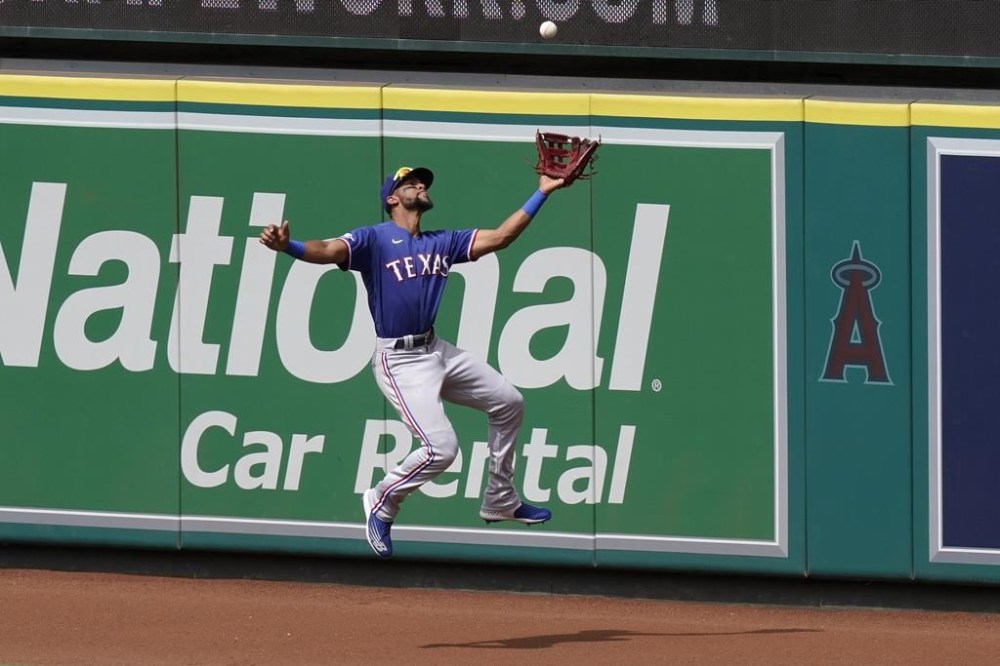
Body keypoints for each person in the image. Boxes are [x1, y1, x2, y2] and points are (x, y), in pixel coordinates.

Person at [259, 165, 565, 559]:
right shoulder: (375, 238)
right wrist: (290, 246)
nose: (420, 186)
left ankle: (500, 498)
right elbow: (329, 249)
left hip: (436, 349)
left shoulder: (443, 241)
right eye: (410, 183)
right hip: (399, 361)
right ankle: (382, 501)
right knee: (442, 449)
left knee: (509, 402)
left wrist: (542, 192)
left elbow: (502, 237)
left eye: (422, 183)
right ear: (392, 198)